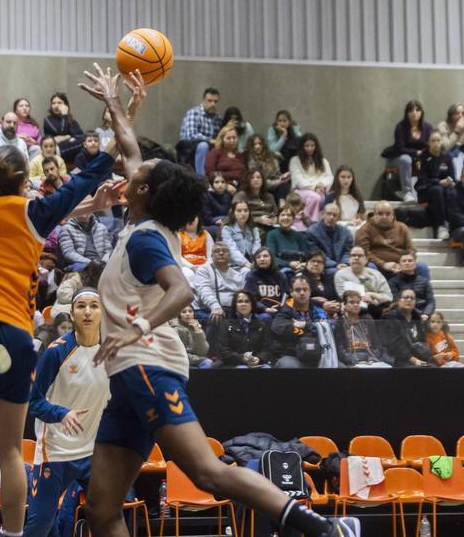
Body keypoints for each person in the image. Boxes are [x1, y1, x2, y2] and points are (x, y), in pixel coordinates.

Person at [85, 77, 346, 537]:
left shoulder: (147, 240)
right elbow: (128, 148)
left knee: (207, 472)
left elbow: (181, 292)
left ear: (143, 192)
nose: (134, 171)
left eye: (139, 176)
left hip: (147, 363)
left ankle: (324, 528)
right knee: (103, 509)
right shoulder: (141, 217)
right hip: (126, 376)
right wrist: (117, 103)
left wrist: (136, 326)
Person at [0, 67, 134, 537]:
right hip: (16, 333)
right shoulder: (35, 214)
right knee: (11, 452)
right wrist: (120, 114)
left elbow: (10, 215)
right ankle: (13, 534)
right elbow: (93, 171)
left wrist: (85, 206)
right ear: (26, 183)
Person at [23, 288, 109, 537]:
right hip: (56, 452)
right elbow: (32, 402)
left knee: (109, 518)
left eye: (94, 306)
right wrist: (61, 413)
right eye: (81, 306)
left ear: (103, 312)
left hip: (94, 453)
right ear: (72, 314)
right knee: (40, 525)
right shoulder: (56, 352)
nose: (88, 311)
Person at [385, 100, 433, 204]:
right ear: (407, 113)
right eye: (411, 110)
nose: (414, 113)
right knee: (406, 159)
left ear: (421, 112)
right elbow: (400, 148)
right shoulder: (400, 127)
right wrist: (416, 153)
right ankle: (407, 193)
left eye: (417, 110)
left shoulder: (427, 127)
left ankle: (426, 192)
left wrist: (421, 154)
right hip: (398, 157)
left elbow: (430, 146)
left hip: (420, 158)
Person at [209, 290, 272, 368]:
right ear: (235, 305)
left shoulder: (261, 325)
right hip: (234, 363)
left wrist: (259, 358)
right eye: (240, 301)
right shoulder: (226, 324)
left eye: (247, 301)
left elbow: (267, 349)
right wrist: (242, 358)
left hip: (257, 362)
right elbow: (223, 350)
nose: (243, 304)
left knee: (267, 368)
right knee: (243, 369)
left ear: (252, 304)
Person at [354, 200, 418, 275]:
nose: (384, 217)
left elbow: (411, 249)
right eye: (380, 213)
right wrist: (384, 264)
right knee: (370, 267)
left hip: (401, 264)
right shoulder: (364, 230)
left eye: (388, 214)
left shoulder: (402, 227)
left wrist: (405, 263)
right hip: (377, 265)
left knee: (421, 267)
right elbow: (364, 253)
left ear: (393, 215)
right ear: (374, 214)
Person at [190, 242, 244, 325]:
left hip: (231, 311)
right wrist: (215, 306)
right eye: (217, 251)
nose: (221, 253)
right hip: (207, 310)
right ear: (211, 256)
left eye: (224, 251)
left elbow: (242, 295)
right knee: (218, 319)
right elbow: (204, 290)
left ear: (229, 255)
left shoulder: (237, 274)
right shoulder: (204, 270)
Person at [333, 289, 389, 367]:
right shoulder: (340, 322)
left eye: (358, 302)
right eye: (352, 302)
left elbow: (377, 342)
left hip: (370, 355)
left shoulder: (367, 319)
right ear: (344, 305)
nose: (356, 305)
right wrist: (351, 360)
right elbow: (339, 348)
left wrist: (374, 358)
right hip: (351, 356)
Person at [288, 133, 333, 227]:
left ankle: (323, 225)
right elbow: (298, 180)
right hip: (300, 191)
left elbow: (329, 177)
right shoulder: (295, 160)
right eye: (307, 146)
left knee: (327, 197)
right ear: (302, 147)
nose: (310, 148)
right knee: (315, 197)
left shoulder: (323, 161)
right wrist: (314, 187)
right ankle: (309, 225)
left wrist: (321, 184)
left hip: (320, 190)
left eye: (312, 145)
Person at [416, 131, 454, 239]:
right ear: (428, 143)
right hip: (426, 189)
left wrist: (450, 182)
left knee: (451, 191)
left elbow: (452, 176)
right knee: (438, 190)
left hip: (444, 188)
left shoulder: (447, 157)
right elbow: (422, 179)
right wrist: (438, 182)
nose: (436, 143)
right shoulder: (423, 157)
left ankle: (451, 224)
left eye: (438, 140)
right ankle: (441, 226)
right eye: (433, 141)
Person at [333, 247, 393, 314]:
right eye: (353, 255)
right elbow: (344, 298)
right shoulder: (341, 275)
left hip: (378, 309)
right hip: (353, 310)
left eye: (360, 255)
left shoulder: (377, 274)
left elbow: (388, 298)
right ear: (349, 259)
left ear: (366, 259)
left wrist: (371, 295)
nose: (356, 258)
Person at [379, 289, 430, 367]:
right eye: (406, 297)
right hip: (397, 358)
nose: (409, 300)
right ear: (399, 301)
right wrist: (413, 360)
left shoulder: (416, 318)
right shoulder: (390, 317)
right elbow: (394, 344)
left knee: (434, 368)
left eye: (412, 298)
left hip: (417, 357)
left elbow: (422, 340)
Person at [177, 87, 222, 173]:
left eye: (215, 101)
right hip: (189, 149)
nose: (213, 104)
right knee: (203, 145)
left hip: (210, 148)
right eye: (209, 101)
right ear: (204, 100)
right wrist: (211, 141)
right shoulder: (194, 113)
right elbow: (191, 135)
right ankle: (201, 178)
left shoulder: (218, 118)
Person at [387, 251, 435, 318]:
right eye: (404, 261)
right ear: (399, 265)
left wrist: (426, 314)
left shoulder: (424, 281)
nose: (407, 263)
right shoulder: (392, 282)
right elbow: (395, 302)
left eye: (410, 261)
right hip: (401, 316)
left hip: (422, 314)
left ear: (415, 265)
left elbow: (431, 302)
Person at [306, 203, 353, 269]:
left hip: (343, 265)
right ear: (322, 214)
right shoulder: (312, 232)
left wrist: (344, 263)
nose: (331, 217)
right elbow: (316, 254)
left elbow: (347, 251)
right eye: (329, 214)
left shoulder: (345, 232)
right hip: (323, 266)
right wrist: (335, 265)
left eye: (335, 215)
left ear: (338, 217)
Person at [42, 91, 86, 162]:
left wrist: (67, 137)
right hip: (55, 149)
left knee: (86, 141)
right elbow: (61, 132)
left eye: (59, 103)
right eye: (53, 103)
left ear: (66, 106)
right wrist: (64, 115)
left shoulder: (71, 120)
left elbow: (80, 136)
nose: (56, 105)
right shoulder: (48, 119)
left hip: (71, 150)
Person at [244, 248, 288, 314]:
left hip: (280, 310)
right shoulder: (251, 276)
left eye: (265, 256)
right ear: (255, 261)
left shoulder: (281, 276)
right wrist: (265, 309)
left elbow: (289, 296)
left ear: (271, 259)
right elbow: (250, 299)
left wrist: (284, 307)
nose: (262, 259)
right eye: (258, 257)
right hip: (260, 312)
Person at [265, 207, 309, 271]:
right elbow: (272, 257)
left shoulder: (299, 235)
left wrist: (302, 264)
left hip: (299, 267)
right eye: (282, 215)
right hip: (281, 269)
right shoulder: (271, 234)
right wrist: (289, 264)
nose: (286, 217)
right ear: (278, 218)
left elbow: (306, 255)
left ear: (293, 219)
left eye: (289, 215)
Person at [220, 201, 260, 270]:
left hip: (253, 263)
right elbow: (232, 250)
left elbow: (257, 247)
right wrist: (246, 264)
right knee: (247, 271)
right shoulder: (227, 229)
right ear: (233, 213)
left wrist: (256, 263)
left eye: (245, 210)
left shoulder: (254, 229)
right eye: (239, 211)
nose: (243, 213)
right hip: (234, 266)